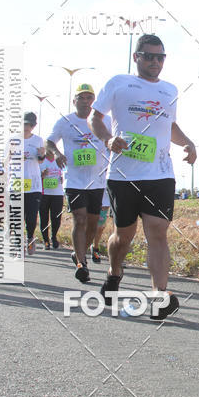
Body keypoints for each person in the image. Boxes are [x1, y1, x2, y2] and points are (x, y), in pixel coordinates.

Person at [90, 34, 196, 319]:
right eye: (148, 56)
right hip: (123, 175)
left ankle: (159, 297)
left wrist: (187, 142)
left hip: (160, 174)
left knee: (157, 233)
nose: (154, 62)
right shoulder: (118, 83)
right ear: (136, 57)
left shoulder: (170, 90)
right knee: (122, 237)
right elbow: (95, 118)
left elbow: (169, 125)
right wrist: (108, 140)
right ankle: (114, 273)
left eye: (160, 57)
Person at [46, 84, 110, 282]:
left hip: (97, 181)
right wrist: (57, 153)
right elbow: (49, 142)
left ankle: (78, 252)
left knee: (92, 224)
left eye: (89, 97)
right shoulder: (65, 121)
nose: (85, 101)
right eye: (81, 98)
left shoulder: (104, 120)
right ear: (74, 101)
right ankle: (82, 263)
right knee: (79, 219)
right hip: (74, 180)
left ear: (94, 101)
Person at [20, 113, 45, 255]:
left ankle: (30, 237)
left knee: (31, 217)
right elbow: (4, 161)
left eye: (29, 125)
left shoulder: (38, 140)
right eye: (24, 124)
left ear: (33, 126)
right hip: (16, 183)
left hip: (33, 184)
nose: (26, 127)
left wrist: (42, 154)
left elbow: (40, 160)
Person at [39, 151, 65, 250]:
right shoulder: (41, 161)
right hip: (44, 194)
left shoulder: (59, 161)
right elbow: (35, 176)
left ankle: (53, 237)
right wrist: (41, 174)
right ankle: (45, 240)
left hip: (57, 193)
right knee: (44, 218)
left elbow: (65, 172)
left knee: (56, 218)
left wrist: (63, 179)